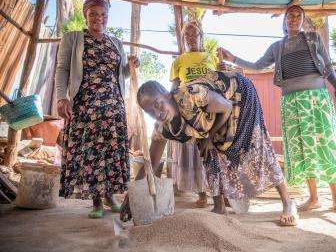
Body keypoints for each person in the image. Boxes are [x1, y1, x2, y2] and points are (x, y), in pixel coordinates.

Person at [218, 5, 336, 215]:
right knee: (302, 148)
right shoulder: (277, 47)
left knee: (327, 145)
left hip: (317, 99)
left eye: (299, 16)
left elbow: (327, 65)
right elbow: (258, 65)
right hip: (291, 102)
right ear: (284, 20)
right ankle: (314, 198)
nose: (294, 19)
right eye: (291, 15)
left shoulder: (314, 39)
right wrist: (233, 58)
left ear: (303, 20)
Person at [121, 71, 298, 226]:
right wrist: (132, 196)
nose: (157, 113)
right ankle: (220, 208)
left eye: (157, 104)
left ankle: (288, 202)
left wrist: (210, 138)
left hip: (239, 94)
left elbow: (227, 107)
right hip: (217, 113)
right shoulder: (161, 128)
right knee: (208, 153)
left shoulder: (191, 95)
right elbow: (150, 163)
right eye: (150, 111)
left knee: (256, 146)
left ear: (167, 95)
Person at [55, 0, 139, 219]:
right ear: (86, 15)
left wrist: (130, 67)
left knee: (111, 151)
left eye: (102, 15)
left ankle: (111, 197)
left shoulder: (116, 42)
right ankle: (96, 201)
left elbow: (120, 74)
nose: (98, 18)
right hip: (86, 105)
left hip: (113, 106)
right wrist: (61, 97)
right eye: (93, 14)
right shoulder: (73, 38)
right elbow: (62, 69)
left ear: (107, 18)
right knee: (90, 151)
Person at [169, 20, 219, 208]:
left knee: (210, 149)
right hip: (187, 110)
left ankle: (217, 193)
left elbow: (217, 81)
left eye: (194, 34)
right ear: (183, 39)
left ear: (201, 36)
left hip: (209, 110)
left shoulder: (210, 57)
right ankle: (202, 193)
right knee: (193, 151)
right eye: (187, 35)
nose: (191, 38)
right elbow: (174, 87)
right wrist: (170, 106)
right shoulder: (179, 61)